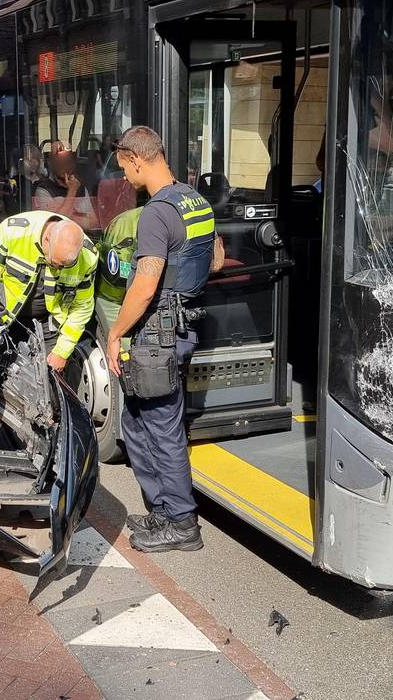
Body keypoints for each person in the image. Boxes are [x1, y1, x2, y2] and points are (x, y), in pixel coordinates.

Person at [104, 125, 216, 553]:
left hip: (157, 333)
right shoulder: (194, 200)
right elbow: (217, 257)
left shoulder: (156, 212)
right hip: (179, 328)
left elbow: (145, 285)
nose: (126, 179)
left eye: (125, 170)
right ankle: (163, 510)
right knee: (136, 422)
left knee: (162, 427)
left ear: (136, 158)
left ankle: (183, 524)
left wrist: (116, 333)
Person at [0, 212, 99, 371]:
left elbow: (82, 308)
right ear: (47, 240)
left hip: (48, 324)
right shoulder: (11, 232)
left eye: (66, 266)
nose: (60, 269)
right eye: (56, 263)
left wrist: (62, 352)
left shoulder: (88, 257)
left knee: (48, 380)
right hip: (5, 319)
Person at [26, 143, 97, 229]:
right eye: (59, 162)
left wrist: (66, 214)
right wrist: (72, 191)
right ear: (52, 164)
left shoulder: (80, 187)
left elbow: (93, 223)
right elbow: (56, 223)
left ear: (72, 164)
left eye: (66, 161)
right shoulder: (43, 190)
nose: (63, 165)